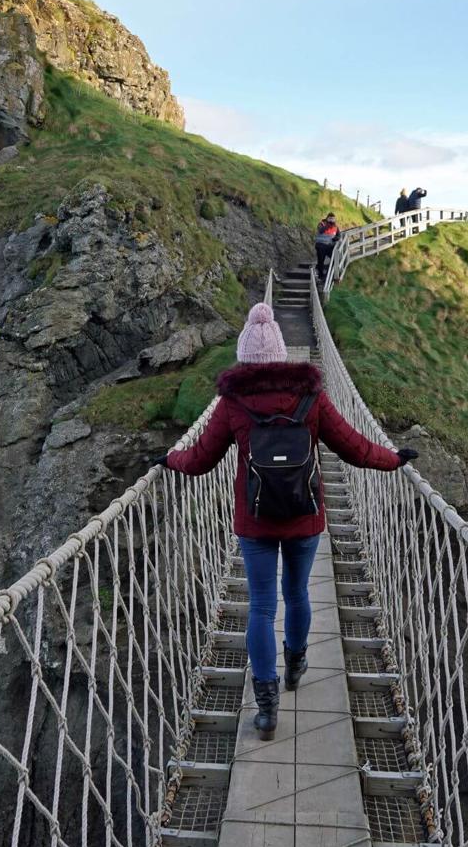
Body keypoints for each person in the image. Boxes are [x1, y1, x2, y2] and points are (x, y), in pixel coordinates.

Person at [155, 303, 419, 740]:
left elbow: (201, 460)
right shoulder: (311, 397)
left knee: (260, 607)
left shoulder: (231, 403)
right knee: (296, 594)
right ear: (281, 354)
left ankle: (267, 709)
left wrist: (170, 459)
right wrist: (392, 459)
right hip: (305, 518)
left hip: (255, 523)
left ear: (244, 357)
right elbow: (352, 447)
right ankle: (295, 666)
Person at [314, 212, 341, 282]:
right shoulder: (322, 224)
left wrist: (335, 238)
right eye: (330, 218)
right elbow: (320, 230)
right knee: (321, 261)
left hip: (329, 246)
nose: (332, 220)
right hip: (320, 246)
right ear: (327, 218)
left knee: (335, 258)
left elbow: (339, 236)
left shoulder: (335, 227)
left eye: (333, 219)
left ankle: (329, 274)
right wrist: (328, 225)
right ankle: (320, 276)